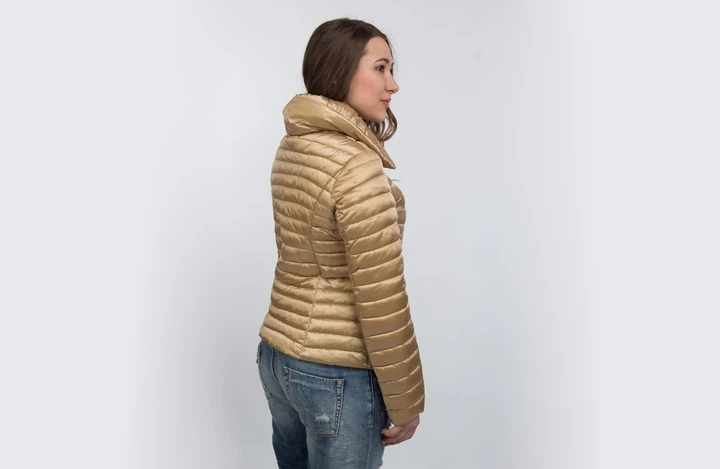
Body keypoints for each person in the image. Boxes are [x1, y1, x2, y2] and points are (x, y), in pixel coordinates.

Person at [256, 18, 425, 468]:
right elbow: (381, 294)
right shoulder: (355, 166)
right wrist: (406, 400)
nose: (393, 85)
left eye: (391, 70)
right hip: (335, 371)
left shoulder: (294, 146)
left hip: (278, 356)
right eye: (381, 68)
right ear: (341, 70)